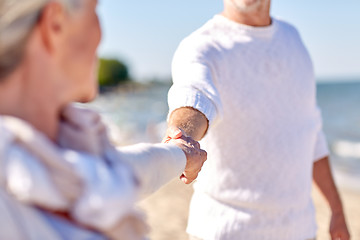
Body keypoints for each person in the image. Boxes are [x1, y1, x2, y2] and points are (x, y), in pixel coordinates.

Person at [0, 0, 207, 239]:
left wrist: (181, 153)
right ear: (55, 23)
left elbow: (124, 169)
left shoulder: (66, 149)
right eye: (95, 11)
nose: (102, 33)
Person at [165, 0, 350, 239]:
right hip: (225, 231)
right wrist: (184, 135)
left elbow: (311, 133)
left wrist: (337, 211)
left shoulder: (293, 40)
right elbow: (194, 96)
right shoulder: (200, 46)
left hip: (300, 230)